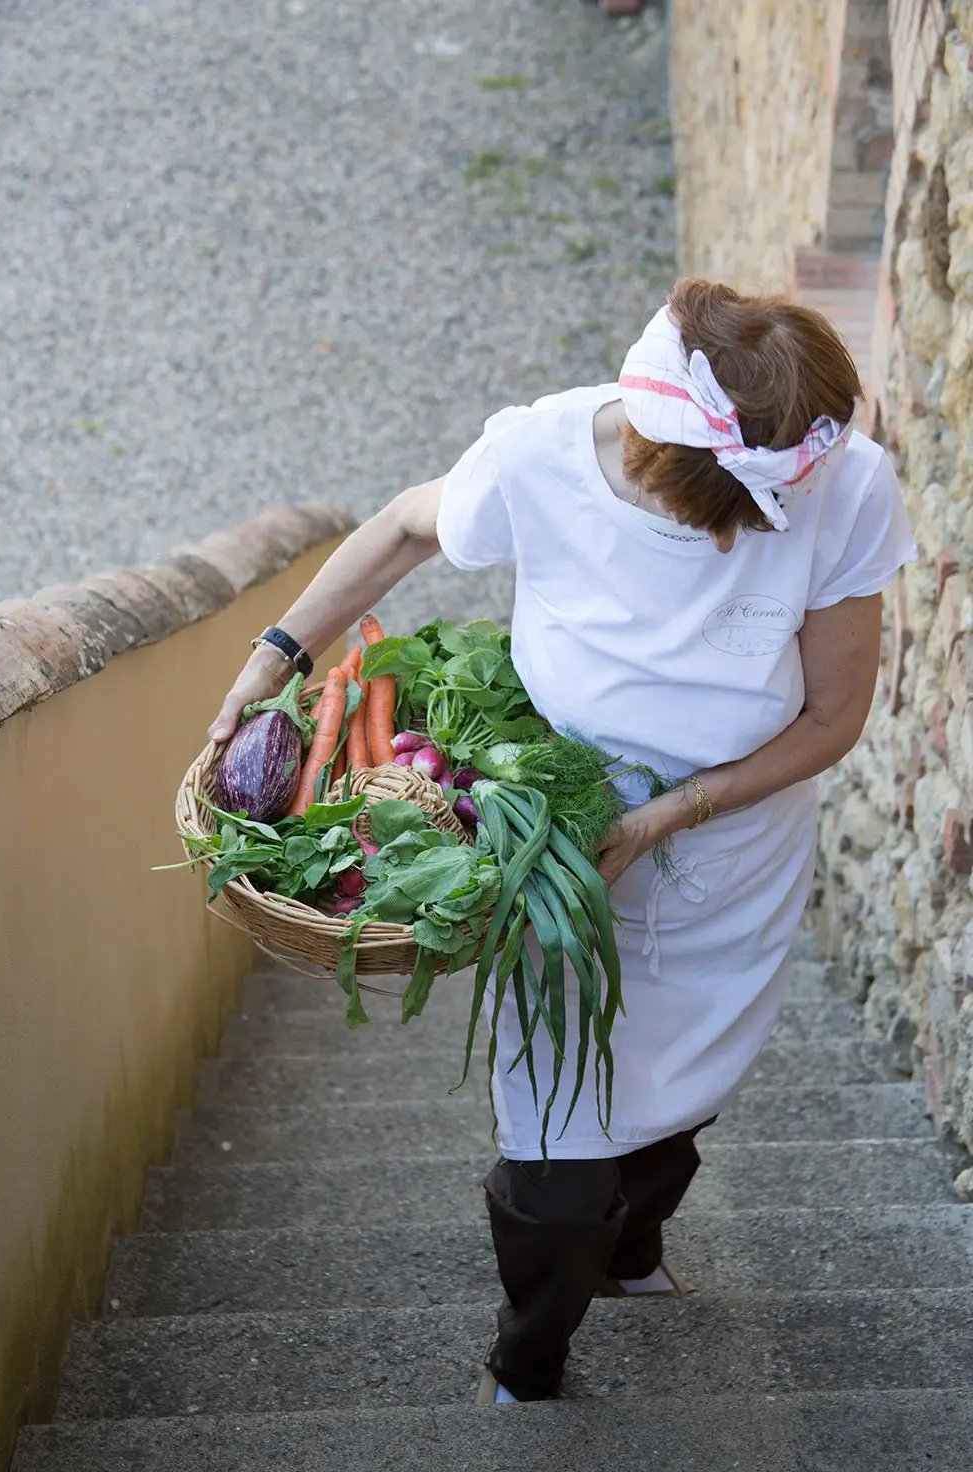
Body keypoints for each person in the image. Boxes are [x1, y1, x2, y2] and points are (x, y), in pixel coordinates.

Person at [209, 278, 916, 1405]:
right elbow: (400, 527)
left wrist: (667, 818)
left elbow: (832, 718)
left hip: (730, 833)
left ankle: (632, 1251)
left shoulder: (844, 481)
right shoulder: (541, 454)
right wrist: (272, 661)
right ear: (656, 464)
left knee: (684, 1078)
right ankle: (530, 1354)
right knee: (559, 1127)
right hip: (556, 826)